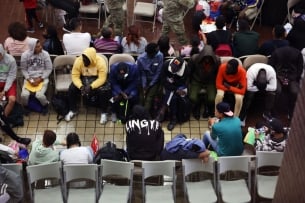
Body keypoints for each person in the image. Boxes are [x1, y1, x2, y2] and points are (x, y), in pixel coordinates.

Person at [64, 47, 110, 124]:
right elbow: (75, 76)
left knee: (103, 91)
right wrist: (81, 86)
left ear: (91, 59)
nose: (84, 61)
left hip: (96, 79)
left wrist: (91, 86)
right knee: (72, 88)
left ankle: (104, 112)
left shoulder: (100, 62)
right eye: (83, 59)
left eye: (86, 60)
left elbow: (102, 78)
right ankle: (73, 110)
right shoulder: (79, 60)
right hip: (83, 78)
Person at [268, 46, 304, 120]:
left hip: (292, 77)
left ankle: (291, 110)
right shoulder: (276, 53)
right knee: (277, 90)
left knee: (295, 91)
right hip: (277, 76)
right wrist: (279, 77)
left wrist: (290, 79)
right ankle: (272, 110)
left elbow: (299, 71)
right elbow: (270, 68)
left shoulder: (298, 54)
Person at [157, 57, 190, 131]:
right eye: (172, 67)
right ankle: (173, 118)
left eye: (175, 69)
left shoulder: (186, 70)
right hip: (169, 85)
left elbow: (182, 83)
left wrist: (174, 87)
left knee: (174, 97)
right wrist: (174, 89)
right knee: (173, 98)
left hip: (180, 86)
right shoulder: (166, 64)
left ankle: (163, 110)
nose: (172, 69)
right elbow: (162, 80)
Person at [20, 38, 52, 114]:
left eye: (40, 45)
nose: (40, 47)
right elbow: (23, 70)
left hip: (42, 77)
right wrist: (30, 80)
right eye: (37, 47)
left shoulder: (45, 54)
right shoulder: (25, 55)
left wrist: (40, 79)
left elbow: (49, 68)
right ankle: (26, 106)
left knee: (39, 95)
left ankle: (45, 105)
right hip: (29, 78)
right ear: (32, 48)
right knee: (24, 95)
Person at [188, 45, 220, 119]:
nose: (207, 60)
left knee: (212, 98)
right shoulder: (194, 58)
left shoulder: (217, 60)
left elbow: (218, 73)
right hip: (197, 80)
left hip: (210, 81)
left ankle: (207, 107)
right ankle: (197, 107)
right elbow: (190, 72)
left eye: (209, 58)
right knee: (192, 97)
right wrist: (189, 83)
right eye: (205, 58)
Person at [137, 43, 163, 112]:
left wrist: (150, 85)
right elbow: (142, 74)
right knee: (141, 98)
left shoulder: (160, 56)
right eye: (156, 52)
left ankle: (144, 115)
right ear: (150, 54)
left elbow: (158, 73)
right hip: (143, 80)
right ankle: (139, 114)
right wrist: (144, 85)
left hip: (155, 81)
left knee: (149, 98)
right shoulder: (140, 59)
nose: (158, 53)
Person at [0, 44, 18, 117]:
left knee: (12, 100)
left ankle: (3, 117)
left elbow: (11, 76)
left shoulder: (11, 60)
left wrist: (4, 90)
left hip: (8, 82)